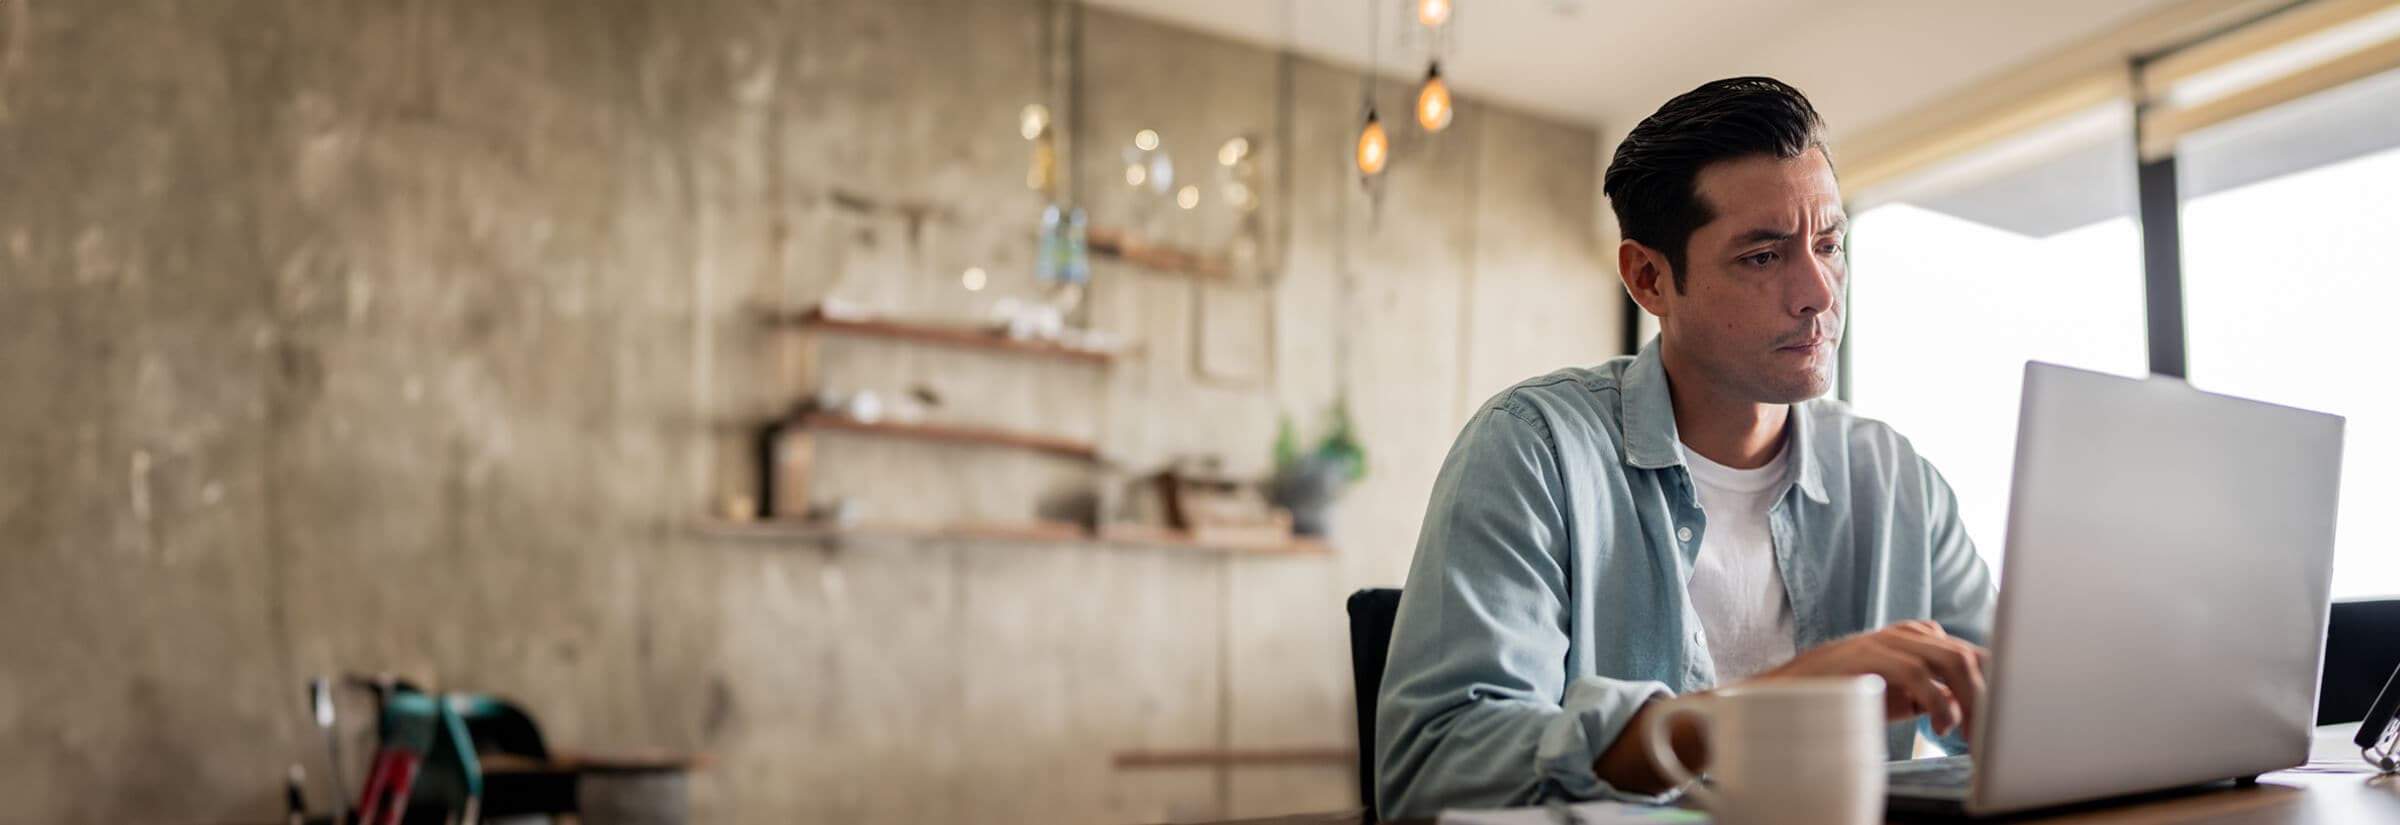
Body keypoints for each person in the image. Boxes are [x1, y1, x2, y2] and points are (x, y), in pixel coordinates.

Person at [1374, 77, 1997, 820]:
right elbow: (1435, 769)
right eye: (1764, 257)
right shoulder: (1532, 449)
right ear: (1649, 278)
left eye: (1829, 244)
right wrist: (1755, 709)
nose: (1819, 293)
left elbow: (2015, 720)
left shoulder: (1898, 480)